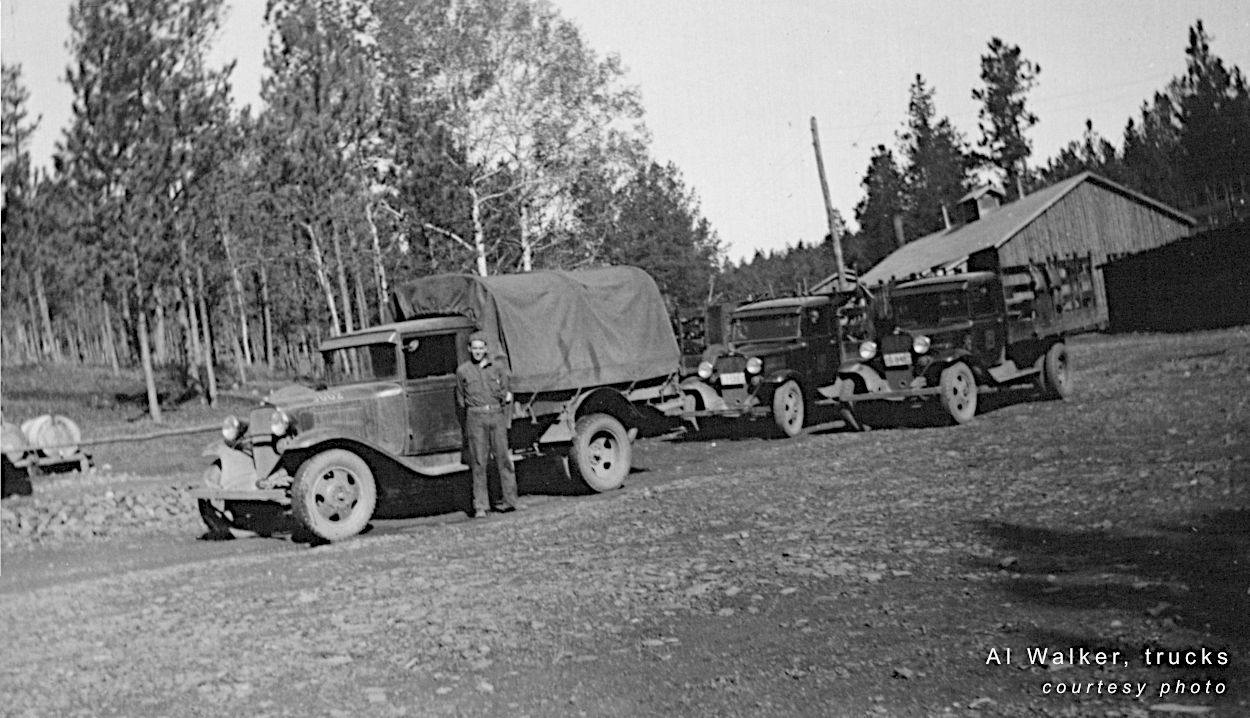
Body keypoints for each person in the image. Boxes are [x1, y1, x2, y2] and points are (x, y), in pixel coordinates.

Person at [455, 332, 520, 518]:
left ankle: (510, 501)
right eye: (474, 348)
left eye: (480, 348)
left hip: (496, 415)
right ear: (469, 349)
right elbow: (461, 400)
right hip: (475, 417)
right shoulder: (463, 371)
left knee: (503, 458)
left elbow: (506, 393)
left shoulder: (497, 368)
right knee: (478, 462)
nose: (477, 351)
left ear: (486, 349)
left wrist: (501, 414)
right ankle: (481, 506)